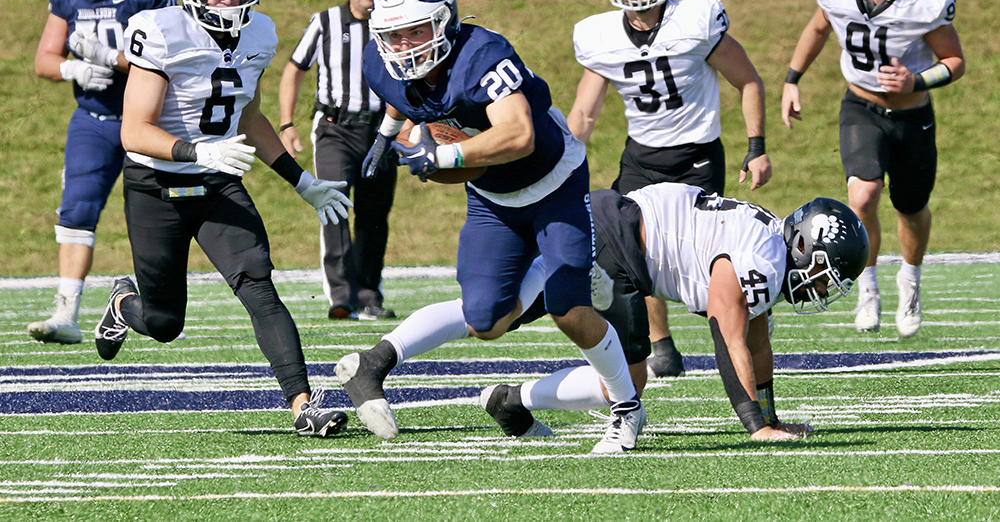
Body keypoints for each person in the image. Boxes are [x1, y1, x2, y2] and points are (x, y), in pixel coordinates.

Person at [341, 0, 644, 453]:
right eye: (392, 35)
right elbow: (400, 99)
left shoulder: (481, 54)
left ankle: (627, 408)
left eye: (415, 31)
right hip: (492, 197)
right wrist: (383, 136)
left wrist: (446, 154)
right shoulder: (381, 64)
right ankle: (551, 262)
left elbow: (520, 135)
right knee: (485, 321)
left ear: (445, 22)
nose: (404, 46)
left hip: (554, 181)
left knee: (569, 310)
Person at [330, 183, 868, 443]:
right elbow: (727, 332)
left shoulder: (768, 248)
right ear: (802, 246)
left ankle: (381, 362)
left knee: (494, 315)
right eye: (825, 273)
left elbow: (755, 342)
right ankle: (529, 403)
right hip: (618, 242)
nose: (823, 288)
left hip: (610, 223)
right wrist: (754, 426)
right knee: (630, 380)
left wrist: (770, 415)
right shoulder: (766, 256)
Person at [92, 0, 353, 438]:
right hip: (156, 185)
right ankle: (124, 303)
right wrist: (196, 150)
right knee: (166, 324)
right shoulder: (160, 29)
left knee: (258, 282)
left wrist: (303, 183)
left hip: (216, 180)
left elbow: (249, 114)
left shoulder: (261, 33)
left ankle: (302, 404)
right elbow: (134, 130)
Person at [568, 0, 772, 377]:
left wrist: (755, 147)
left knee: (700, 258)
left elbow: (748, 80)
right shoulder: (600, 35)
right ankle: (660, 345)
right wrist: (561, 165)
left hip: (696, 156)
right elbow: (584, 113)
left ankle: (735, 335)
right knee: (631, 253)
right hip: (641, 156)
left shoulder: (695, 21)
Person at [781, 0, 965, 336]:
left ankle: (911, 279)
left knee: (911, 208)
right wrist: (793, 78)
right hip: (860, 107)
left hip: (911, 114)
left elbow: (955, 63)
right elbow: (818, 27)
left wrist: (915, 80)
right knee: (862, 196)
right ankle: (867, 287)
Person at [28, 0, 176, 345]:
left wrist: (110, 58)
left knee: (158, 215)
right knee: (77, 209)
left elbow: (166, 59)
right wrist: (73, 70)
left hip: (147, 121)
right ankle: (66, 311)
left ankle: (139, 304)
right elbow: (44, 59)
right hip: (93, 120)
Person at [277, 0, 397, 320]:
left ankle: (368, 293)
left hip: (382, 128)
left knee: (375, 215)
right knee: (335, 205)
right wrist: (286, 123)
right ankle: (341, 296)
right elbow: (294, 70)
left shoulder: (392, 24)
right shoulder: (326, 22)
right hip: (335, 127)